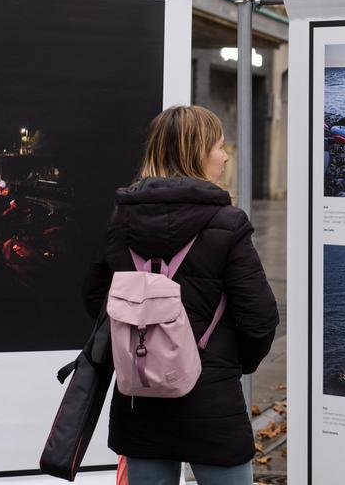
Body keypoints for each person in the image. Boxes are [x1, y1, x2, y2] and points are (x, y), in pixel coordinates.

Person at [82, 105, 279, 485]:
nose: (225, 156)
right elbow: (260, 319)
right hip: (212, 401)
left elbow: (96, 302)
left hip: (140, 397)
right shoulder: (228, 222)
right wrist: (229, 363)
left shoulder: (120, 220)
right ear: (196, 152)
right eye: (219, 146)